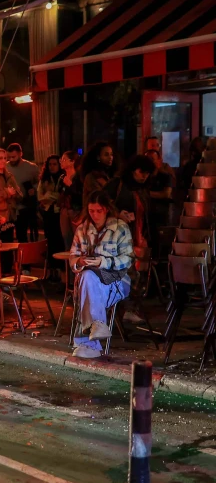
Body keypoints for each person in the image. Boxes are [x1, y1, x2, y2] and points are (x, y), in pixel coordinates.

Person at [69, 190, 133, 359]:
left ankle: (88, 343)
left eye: (99, 211)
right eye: (91, 211)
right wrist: (80, 261)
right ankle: (97, 325)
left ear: (106, 209)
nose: (95, 215)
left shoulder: (120, 228)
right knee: (88, 277)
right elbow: (72, 256)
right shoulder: (82, 229)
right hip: (89, 280)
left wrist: (102, 262)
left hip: (116, 282)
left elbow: (128, 259)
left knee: (87, 283)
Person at [104, 154, 153, 251]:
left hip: (140, 239)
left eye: (147, 173)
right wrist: (117, 214)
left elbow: (148, 218)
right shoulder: (117, 184)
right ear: (133, 170)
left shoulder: (143, 190)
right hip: (118, 238)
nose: (144, 176)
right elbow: (101, 205)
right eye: (141, 172)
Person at [6, 143, 40, 242]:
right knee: (8, 238)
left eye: (14, 157)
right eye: (9, 157)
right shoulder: (5, 167)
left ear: (21, 154)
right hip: (10, 207)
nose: (11, 159)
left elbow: (40, 183)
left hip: (25, 207)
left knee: (22, 236)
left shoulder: (31, 167)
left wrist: (33, 189)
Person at [38, 155, 64, 280]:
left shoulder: (62, 178)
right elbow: (40, 196)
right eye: (50, 164)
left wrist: (50, 196)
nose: (52, 167)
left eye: (54, 164)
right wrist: (50, 196)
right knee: (51, 241)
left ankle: (60, 270)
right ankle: (51, 270)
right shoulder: (45, 179)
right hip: (48, 213)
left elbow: (60, 196)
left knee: (59, 241)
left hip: (59, 213)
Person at [58, 151, 83, 250]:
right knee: (66, 238)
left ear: (72, 162)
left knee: (77, 239)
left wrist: (70, 185)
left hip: (76, 210)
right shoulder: (62, 177)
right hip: (64, 210)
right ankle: (68, 263)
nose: (61, 162)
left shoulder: (79, 178)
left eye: (64, 159)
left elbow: (81, 195)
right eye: (61, 160)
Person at [145, 149, 174, 227]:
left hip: (162, 216)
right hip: (146, 216)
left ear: (158, 160)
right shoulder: (144, 177)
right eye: (147, 159)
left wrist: (147, 193)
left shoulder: (165, 176)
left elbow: (166, 194)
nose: (149, 162)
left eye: (152, 159)